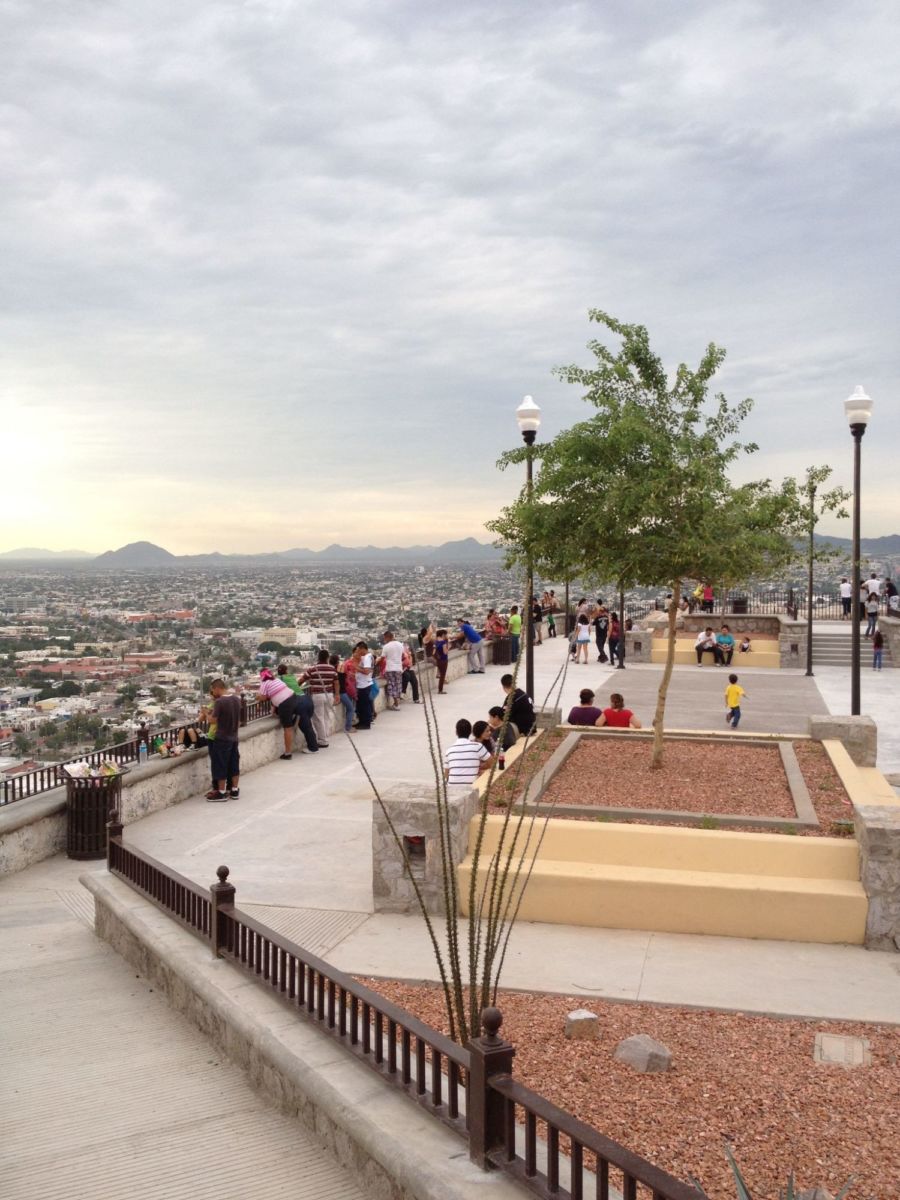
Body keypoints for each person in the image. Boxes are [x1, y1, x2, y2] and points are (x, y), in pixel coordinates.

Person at [257, 668, 317, 757]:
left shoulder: (264, 683)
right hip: (293, 697)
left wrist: (256, 697)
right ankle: (294, 718)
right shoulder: (277, 680)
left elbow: (263, 697)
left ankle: (288, 753)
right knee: (304, 724)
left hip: (285, 704)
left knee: (287, 728)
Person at [206, 679, 241, 801]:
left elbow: (213, 720)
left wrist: (206, 714)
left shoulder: (220, 702)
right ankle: (234, 790)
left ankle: (221, 792)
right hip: (234, 736)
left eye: (212, 690)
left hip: (221, 737)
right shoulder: (236, 699)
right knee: (233, 763)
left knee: (220, 764)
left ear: (217, 688)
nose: (212, 692)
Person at [298, 649, 339, 747]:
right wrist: (337, 694)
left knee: (318, 718)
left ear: (318, 657)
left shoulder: (313, 669)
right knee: (326, 717)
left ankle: (322, 740)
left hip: (317, 695)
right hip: (329, 695)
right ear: (327, 658)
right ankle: (325, 736)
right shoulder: (332, 669)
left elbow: (301, 680)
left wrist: (295, 689)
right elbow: (336, 682)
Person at [443, 718, 493, 784]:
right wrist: (479, 768)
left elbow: (446, 774)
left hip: (452, 788)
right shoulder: (478, 746)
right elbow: (492, 763)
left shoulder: (449, 750)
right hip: (471, 788)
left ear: (456, 732)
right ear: (470, 732)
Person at [352, 642, 375, 729]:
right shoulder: (368, 657)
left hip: (364, 684)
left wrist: (356, 667)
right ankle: (363, 722)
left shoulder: (367, 658)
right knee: (363, 705)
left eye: (358, 649)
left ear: (362, 649)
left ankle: (365, 723)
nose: (357, 651)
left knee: (364, 705)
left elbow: (366, 671)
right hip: (364, 684)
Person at [381, 630, 405, 710]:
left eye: (385, 638)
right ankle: (396, 702)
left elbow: (382, 658)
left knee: (392, 685)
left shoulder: (386, 646)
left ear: (387, 637)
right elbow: (402, 656)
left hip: (390, 668)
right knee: (398, 685)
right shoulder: (400, 645)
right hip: (398, 667)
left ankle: (396, 704)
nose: (384, 640)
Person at [330, 654, 355, 732]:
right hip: (341, 692)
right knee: (351, 708)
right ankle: (348, 727)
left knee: (349, 707)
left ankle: (349, 724)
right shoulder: (340, 669)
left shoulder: (331, 670)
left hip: (335, 692)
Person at [433, 629, 449, 694]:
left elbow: (433, 652)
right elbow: (445, 652)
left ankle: (440, 689)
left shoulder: (436, 642)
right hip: (444, 660)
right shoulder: (443, 642)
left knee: (441, 675)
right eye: (445, 634)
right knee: (442, 675)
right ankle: (440, 690)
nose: (446, 636)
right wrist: (449, 648)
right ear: (443, 635)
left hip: (438, 660)